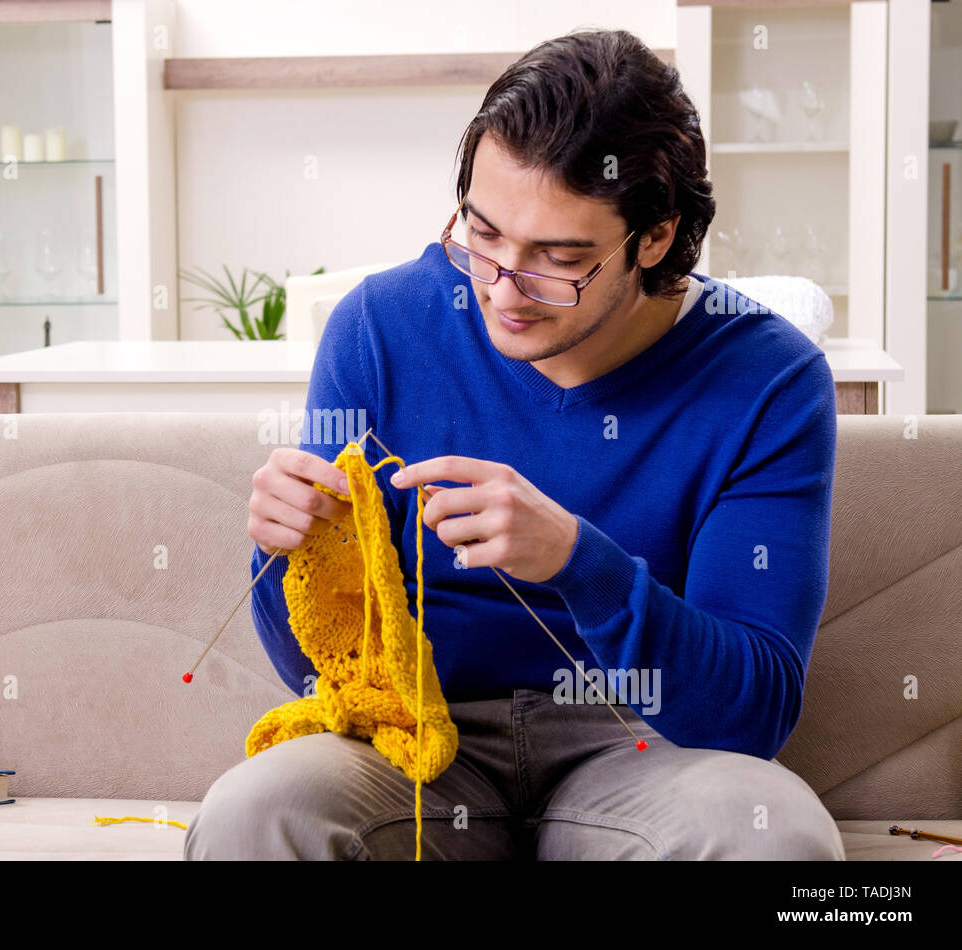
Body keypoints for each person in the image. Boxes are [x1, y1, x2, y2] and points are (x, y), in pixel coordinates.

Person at [184, 28, 845, 860]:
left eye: (556, 259)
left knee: (773, 836)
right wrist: (290, 554)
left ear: (653, 238)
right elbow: (316, 670)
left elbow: (751, 712)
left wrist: (577, 560)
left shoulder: (768, 379)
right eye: (482, 235)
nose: (502, 288)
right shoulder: (379, 329)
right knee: (256, 811)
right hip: (417, 744)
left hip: (646, 749)